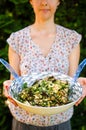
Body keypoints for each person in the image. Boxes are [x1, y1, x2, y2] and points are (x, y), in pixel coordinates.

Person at [3, 0, 86, 130]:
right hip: (24, 123)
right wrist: (9, 86)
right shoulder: (17, 39)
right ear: (31, 1)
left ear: (58, 1)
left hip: (61, 122)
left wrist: (79, 84)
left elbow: (72, 81)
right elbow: (15, 82)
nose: (44, 2)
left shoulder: (71, 38)